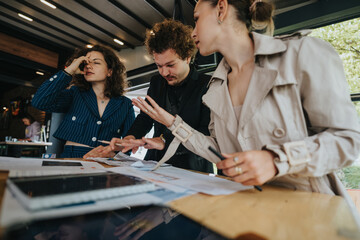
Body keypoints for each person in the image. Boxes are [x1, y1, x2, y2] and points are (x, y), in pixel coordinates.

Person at [131, 0, 360, 198]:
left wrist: (276, 160)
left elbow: (349, 140)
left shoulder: (302, 53)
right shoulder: (215, 87)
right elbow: (217, 148)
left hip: (311, 209)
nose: (192, 32)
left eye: (197, 18)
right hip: (247, 206)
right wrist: (173, 123)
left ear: (221, 8)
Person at [85, 19, 213, 173]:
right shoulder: (157, 82)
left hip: (194, 165)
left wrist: (165, 140)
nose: (164, 73)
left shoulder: (207, 85)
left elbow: (206, 132)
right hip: (156, 162)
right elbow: (145, 118)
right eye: (159, 66)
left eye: (170, 65)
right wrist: (129, 138)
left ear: (187, 57)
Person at [32, 45, 135, 158]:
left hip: (106, 161)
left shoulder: (125, 104)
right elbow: (39, 101)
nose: (88, 66)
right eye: (86, 63)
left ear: (109, 71)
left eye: (96, 62)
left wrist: (114, 155)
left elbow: (129, 143)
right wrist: (69, 70)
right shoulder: (74, 94)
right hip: (71, 158)